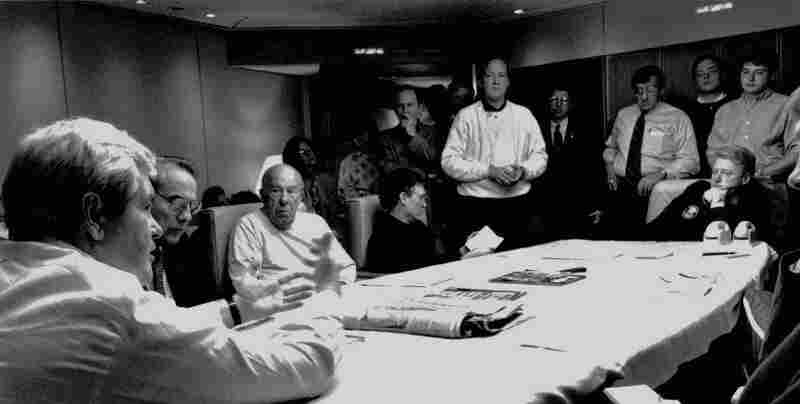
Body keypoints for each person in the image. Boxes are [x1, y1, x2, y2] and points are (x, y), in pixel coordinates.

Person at [0, 118, 345, 403]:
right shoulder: (110, 305)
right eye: (146, 207)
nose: (154, 228)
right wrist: (324, 309)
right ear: (94, 215)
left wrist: (237, 311)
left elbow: (159, 330)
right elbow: (305, 365)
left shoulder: (22, 279)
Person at [441, 57, 549, 253]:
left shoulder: (524, 115)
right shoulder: (465, 116)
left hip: (517, 208)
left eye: (501, 76)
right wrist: (487, 171)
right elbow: (448, 162)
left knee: (519, 267)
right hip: (475, 207)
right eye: (490, 76)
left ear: (508, 81)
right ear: (482, 81)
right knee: (477, 267)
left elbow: (540, 157)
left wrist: (524, 171)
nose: (496, 81)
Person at [707, 49, 795, 249]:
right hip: (729, 192)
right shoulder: (725, 111)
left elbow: (797, 151)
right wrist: (729, 177)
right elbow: (713, 152)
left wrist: (762, 173)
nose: (751, 78)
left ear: (771, 75)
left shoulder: (787, 105)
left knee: (762, 249)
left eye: (759, 72)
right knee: (720, 244)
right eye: (746, 72)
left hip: (770, 189)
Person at [228, 164, 356, 300]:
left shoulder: (315, 223)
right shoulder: (249, 225)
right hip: (281, 305)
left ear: (301, 196)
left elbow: (345, 266)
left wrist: (330, 291)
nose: (284, 199)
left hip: (323, 299)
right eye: (276, 191)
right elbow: (245, 284)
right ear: (263, 195)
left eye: (291, 191)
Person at [603, 65, 700, 238]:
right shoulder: (624, 115)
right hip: (620, 191)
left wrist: (661, 174)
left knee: (649, 243)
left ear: (661, 91)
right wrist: (610, 170)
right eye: (639, 91)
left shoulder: (678, 118)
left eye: (650, 90)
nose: (643, 97)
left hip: (655, 192)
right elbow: (611, 148)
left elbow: (691, 161)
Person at [648, 145, 772, 244]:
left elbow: (722, 244)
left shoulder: (755, 199)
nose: (717, 179)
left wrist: (717, 203)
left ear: (745, 179)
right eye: (715, 172)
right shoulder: (698, 189)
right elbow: (656, 228)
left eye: (726, 173)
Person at [536, 86, 607, 239]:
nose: (558, 104)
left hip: (578, 207)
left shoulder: (586, 130)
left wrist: (599, 204)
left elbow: (596, 168)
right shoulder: (536, 129)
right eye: (554, 100)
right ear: (548, 103)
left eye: (563, 100)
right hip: (545, 208)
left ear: (571, 104)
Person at [367, 168, 446, 273]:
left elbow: (435, 263)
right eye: (421, 198)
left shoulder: (419, 227)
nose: (424, 204)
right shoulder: (383, 238)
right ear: (403, 198)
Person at [376, 85, 440, 178]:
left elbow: (434, 162)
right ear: (395, 109)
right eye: (400, 106)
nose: (405, 110)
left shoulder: (433, 132)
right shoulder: (384, 138)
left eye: (410, 105)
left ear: (419, 107)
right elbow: (387, 168)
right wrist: (418, 172)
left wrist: (413, 136)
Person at [281, 136, 341, 234]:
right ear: (292, 157)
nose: (312, 157)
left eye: (312, 152)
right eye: (304, 153)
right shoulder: (287, 191)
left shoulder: (323, 183)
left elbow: (334, 218)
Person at [685, 54, 732, 177]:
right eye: (700, 74)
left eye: (712, 71)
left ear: (721, 74)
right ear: (695, 80)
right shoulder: (686, 111)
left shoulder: (734, 105)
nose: (706, 77)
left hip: (730, 171)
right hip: (694, 173)